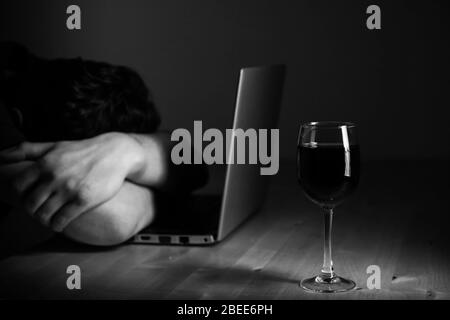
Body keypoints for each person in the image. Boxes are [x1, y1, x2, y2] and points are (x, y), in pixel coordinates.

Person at [0, 42, 208, 246]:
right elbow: (115, 221)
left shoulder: (19, 64)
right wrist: (161, 191)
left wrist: (127, 150)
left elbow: (195, 164)